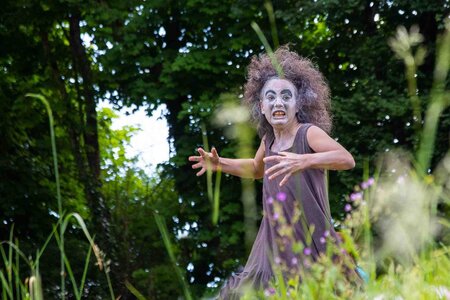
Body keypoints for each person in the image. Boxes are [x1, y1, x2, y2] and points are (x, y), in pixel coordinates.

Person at [188, 46, 357, 298]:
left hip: (309, 232)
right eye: (271, 97)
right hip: (273, 237)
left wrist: (304, 160)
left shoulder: (307, 133)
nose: (279, 102)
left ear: (298, 103)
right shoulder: (268, 141)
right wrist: (220, 163)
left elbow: (346, 159)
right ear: (262, 106)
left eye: (286, 96)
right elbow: (257, 169)